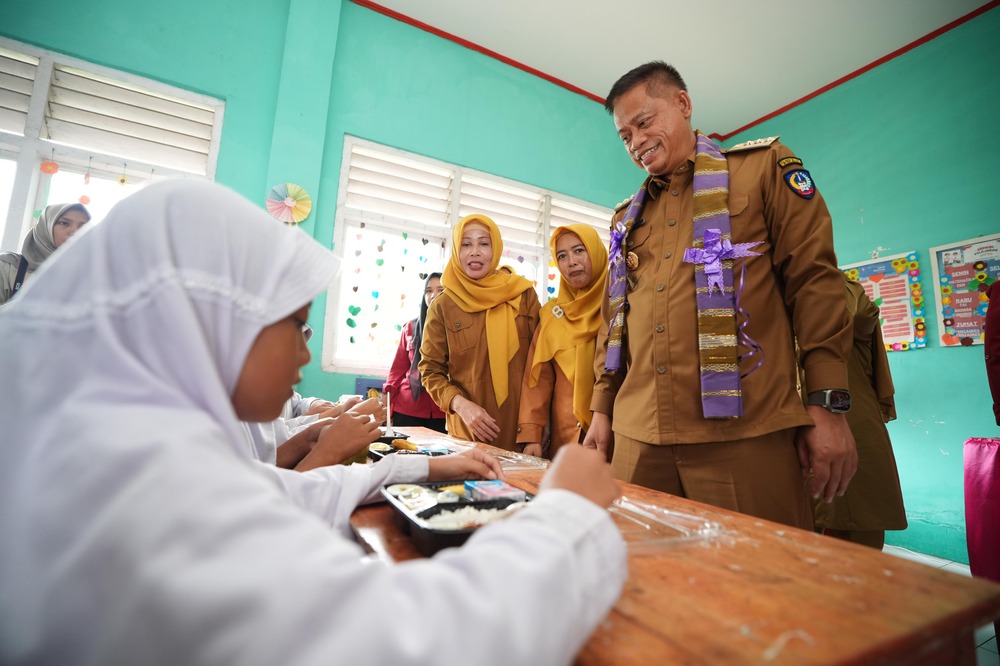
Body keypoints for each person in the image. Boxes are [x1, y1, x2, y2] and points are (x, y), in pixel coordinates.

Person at [0, 180, 626, 666]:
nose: (305, 352)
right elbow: (417, 642)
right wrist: (567, 514)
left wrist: (425, 464)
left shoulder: (111, 427)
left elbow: (272, 491)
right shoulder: (129, 471)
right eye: (294, 323)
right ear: (217, 320)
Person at [583, 61, 857, 530]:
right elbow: (616, 322)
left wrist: (827, 401)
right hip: (637, 436)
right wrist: (601, 410)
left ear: (683, 104)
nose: (635, 142)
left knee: (762, 586)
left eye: (644, 122)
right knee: (638, 579)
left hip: (745, 435)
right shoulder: (625, 219)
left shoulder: (761, 170)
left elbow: (814, 282)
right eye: (625, 135)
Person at [419, 214, 541, 450]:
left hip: (523, 435)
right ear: (456, 250)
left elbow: (541, 367)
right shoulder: (443, 305)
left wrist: (535, 431)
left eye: (484, 243)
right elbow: (430, 370)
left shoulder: (523, 295)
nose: (475, 251)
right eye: (466, 244)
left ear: (495, 249)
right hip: (468, 436)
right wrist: (460, 405)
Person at [813, 277, 907, 549]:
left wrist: (819, 272)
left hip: (849, 418)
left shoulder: (840, 292)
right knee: (797, 529)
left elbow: (857, 314)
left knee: (858, 518)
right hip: (792, 422)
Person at [517, 224, 608, 459]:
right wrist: (532, 435)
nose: (571, 262)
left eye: (579, 251)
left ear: (596, 253)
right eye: (562, 256)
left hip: (613, 436)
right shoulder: (551, 315)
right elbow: (537, 381)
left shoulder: (620, 306)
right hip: (565, 441)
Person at [383, 271, 447, 432]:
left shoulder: (459, 329)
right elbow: (397, 370)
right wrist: (386, 400)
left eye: (440, 290)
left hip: (444, 410)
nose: (433, 295)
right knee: (403, 455)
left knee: (441, 457)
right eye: (429, 290)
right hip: (407, 408)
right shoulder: (410, 328)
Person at [0, 202, 90, 304]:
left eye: (84, 226)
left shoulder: (93, 276)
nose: (75, 232)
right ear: (45, 227)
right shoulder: (8, 267)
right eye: (64, 223)